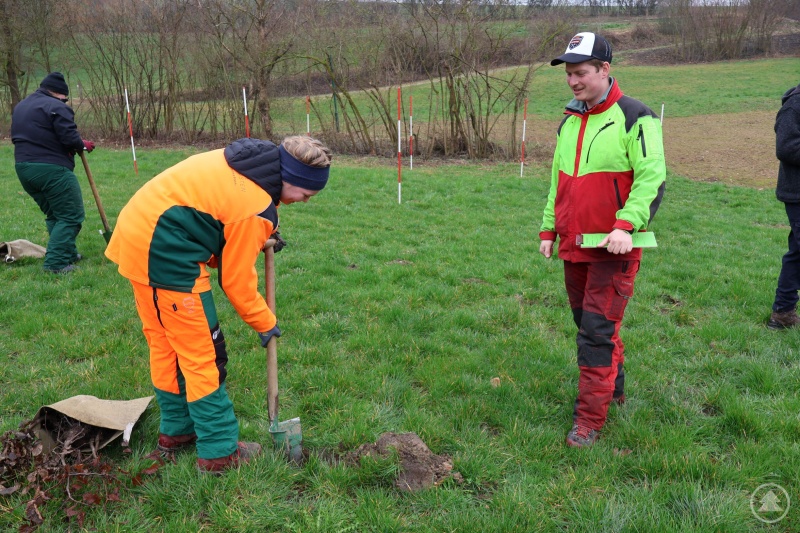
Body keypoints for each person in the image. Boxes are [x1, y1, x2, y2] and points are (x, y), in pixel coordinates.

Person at [105, 136, 332, 473]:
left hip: (138, 239)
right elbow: (236, 280)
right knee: (204, 358)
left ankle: (178, 432)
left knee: (166, 346)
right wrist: (264, 321)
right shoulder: (254, 207)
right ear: (291, 179)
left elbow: (210, 222)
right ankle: (219, 453)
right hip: (168, 256)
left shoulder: (249, 163)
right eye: (306, 194)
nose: (305, 201)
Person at [538, 33, 666, 448]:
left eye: (581, 73)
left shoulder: (636, 117)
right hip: (574, 245)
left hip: (615, 248)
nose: (574, 82)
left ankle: (589, 421)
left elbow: (651, 180)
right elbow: (559, 183)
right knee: (592, 325)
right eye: (569, 75)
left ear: (605, 69)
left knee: (596, 331)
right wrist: (548, 229)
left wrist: (625, 226)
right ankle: (616, 390)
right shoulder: (569, 122)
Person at [11, 72, 96, 274]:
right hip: (52, 170)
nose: (65, 101)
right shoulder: (57, 107)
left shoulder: (22, 106)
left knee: (54, 214)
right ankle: (55, 264)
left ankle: (66, 253)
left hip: (23, 168)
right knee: (70, 216)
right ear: (59, 94)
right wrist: (81, 144)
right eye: (65, 98)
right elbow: (69, 138)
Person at [768, 83, 800, 330]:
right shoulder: (795, 105)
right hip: (797, 193)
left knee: (797, 253)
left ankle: (783, 312)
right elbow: (786, 148)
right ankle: (783, 312)